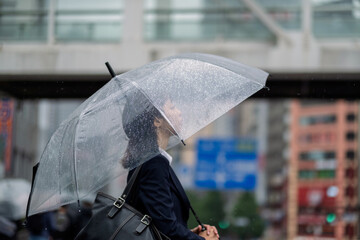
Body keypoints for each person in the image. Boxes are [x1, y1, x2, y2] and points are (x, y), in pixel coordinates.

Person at [122, 90, 220, 240]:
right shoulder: (153, 163)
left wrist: (188, 233)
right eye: (173, 108)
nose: (179, 112)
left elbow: (158, 223)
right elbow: (167, 230)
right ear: (157, 121)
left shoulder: (151, 161)